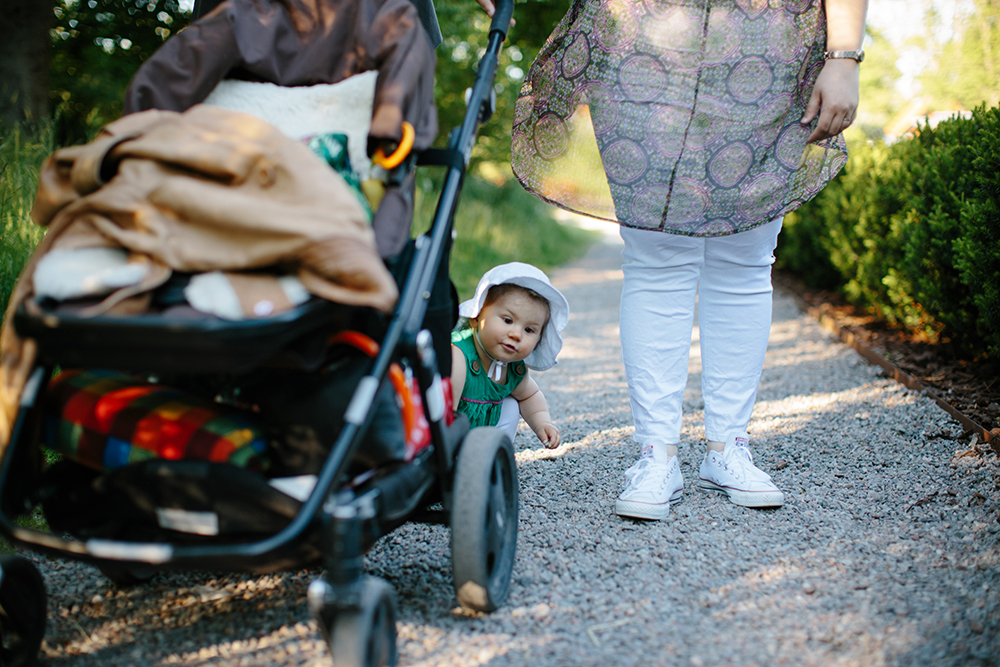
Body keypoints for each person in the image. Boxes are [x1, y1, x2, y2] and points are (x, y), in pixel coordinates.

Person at [510, 0, 868, 519]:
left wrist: (845, 56)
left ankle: (728, 448)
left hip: (772, 47)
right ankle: (656, 454)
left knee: (744, 260)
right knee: (657, 257)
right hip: (642, 40)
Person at [451, 263, 569, 449]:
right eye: (508, 320)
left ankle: (494, 454)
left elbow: (530, 396)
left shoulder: (514, 368)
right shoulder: (458, 356)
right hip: (447, 434)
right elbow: (444, 412)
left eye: (529, 330)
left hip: (479, 439)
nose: (516, 334)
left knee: (512, 405)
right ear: (476, 316)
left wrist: (542, 423)